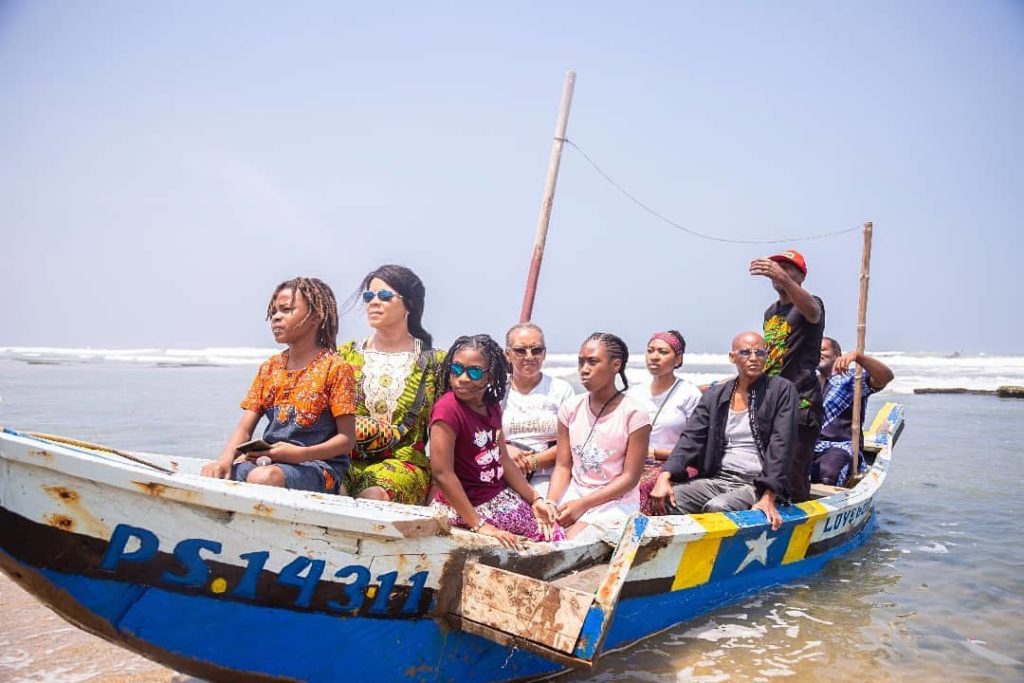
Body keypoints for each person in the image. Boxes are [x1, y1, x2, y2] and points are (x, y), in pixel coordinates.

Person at [201, 277, 356, 494]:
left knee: (263, 478)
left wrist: (297, 455)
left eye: (286, 310)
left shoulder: (336, 368)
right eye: (273, 312)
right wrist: (224, 462)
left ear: (316, 316)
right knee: (210, 474)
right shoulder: (270, 368)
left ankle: (340, 492)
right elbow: (244, 429)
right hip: (268, 461)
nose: (276, 318)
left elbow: (347, 440)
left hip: (318, 467)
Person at [649, 332, 797, 531]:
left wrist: (768, 497)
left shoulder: (781, 390)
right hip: (719, 477)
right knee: (669, 500)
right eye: (745, 352)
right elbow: (691, 438)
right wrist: (665, 476)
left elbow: (782, 444)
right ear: (732, 357)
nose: (753, 358)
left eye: (759, 353)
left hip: (756, 483)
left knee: (717, 508)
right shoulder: (716, 395)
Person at [428, 334, 561, 547]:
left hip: (495, 496)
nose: (462, 378)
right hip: (465, 506)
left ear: (490, 378)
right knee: (542, 540)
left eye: (474, 372)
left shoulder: (491, 406)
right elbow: (442, 474)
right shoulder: (447, 410)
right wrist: (479, 525)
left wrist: (535, 499)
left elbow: (503, 460)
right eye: (456, 369)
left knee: (552, 530)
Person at [338, 265, 446, 504]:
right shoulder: (345, 355)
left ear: (409, 304)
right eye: (369, 296)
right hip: (345, 460)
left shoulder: (434, 362)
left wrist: (437, 492)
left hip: (404, 465)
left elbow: (446, 433)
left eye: (384, 296)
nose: (374, 302)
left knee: (372, 496)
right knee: (330, 491)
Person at [547, 333, 651, 539]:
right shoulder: (570, 408)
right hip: (575, 492)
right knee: (546, 533)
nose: (584, 369)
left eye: (593, 362)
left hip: (615, 501)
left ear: (616, 365)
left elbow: (630, 478)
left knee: (569, 542)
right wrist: (550, 502)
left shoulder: (634, 414)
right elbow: (563, 465)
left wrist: (583, 505)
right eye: (581, 362)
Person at [750, 248, 824, 503]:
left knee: (794, 472)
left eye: (788, 268)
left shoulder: (810, 304)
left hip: (802, 402)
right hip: (772, 401)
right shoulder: (771, 312)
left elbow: (812, 312)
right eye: (777, 267)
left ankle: (802, 524)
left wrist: (784, 279)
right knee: (769, 467)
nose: (780, 271)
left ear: (801, 276)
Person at [627, 330, 703, 514]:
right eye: (650, 350)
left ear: (678, 359)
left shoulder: (689, 394)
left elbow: (697, 447)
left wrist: (654, 453)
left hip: (675, 465)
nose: (654, 357)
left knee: (641, 488)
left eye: (662, 352)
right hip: (635, 461)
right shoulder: (634, 393)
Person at [502, 322, 576, 496]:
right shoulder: (496, 390)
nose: (529, 356)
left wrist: (532, 462)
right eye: (520, 350)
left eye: (536, 350)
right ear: (508, 355)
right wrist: (505, 451)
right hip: (502, 472)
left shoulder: (560, 390)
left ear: (544, 354)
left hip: (548, 475)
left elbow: (574, 441)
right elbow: (481, 435)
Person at [813, 337, 895, 485]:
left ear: (837, 354)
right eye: (814, 350)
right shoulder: (811, 382)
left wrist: (858, 357)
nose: (818, 353)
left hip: (840, 446)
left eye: (823, 349)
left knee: (827, 473)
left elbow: (885, 377)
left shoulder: (852, 378)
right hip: (812, 445)